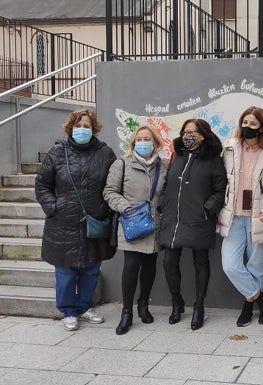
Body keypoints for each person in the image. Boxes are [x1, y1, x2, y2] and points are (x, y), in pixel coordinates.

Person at [35, 109, 116, 331]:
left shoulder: (105, 153)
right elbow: (42, 184)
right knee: (66, 270)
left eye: (87, 126)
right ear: (71, 128)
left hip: (94, 221)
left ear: (94, 128)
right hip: (63, 222)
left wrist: (106, 210)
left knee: (91, 268)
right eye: (78, 126)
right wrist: (53, 207)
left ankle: (85, 306)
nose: (82, 130)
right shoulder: (57, 152)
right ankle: (69, 311)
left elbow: (114, 184)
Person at [158, 118, 227, 331]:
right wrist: (162, 204)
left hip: (199, 218)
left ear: (203, 135)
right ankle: (176, 301)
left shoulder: (214, 159)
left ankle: (199, 305)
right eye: (186, 131)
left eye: (194, 132)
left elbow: (220, 189)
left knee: (201, 262)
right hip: (173, 218)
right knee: (169, 261)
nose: (188, 135)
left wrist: (207, 209)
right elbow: (168, 182)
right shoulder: (176, 155)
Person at [104, 125, 168, 335]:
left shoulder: (164, 167)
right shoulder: (122, 164)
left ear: (155, 142)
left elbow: (167, 195)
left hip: (154, 224)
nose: (143, 142)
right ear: (133, 143)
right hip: (131, 224)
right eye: (139, 139)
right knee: (131, 266)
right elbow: (110, 191)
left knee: (150, 266)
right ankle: (126, 312)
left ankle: (143, 305)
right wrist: (126, 208)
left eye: (147, 139)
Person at [219, 106, 263, 327]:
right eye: (245, 122)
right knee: (230, 265)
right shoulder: (229, 148)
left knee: (256, 266)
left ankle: (248, 305)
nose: (247, 127)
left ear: (262, 127)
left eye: (253, 124)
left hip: (259, 216)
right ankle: (261, 299)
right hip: (233, 215)